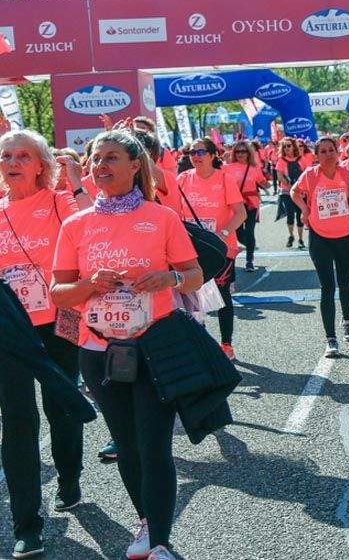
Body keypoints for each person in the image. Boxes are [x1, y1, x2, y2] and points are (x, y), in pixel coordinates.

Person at [51, 130, 204, 560]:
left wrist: (168, 278)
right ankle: (146, 521)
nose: (100, 166)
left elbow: (194, 275)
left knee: (154, 444)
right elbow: (59, 292)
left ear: (135, 165)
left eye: (111, 157)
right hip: (99, 351)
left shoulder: (161, 217)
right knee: (126, 444)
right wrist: (87, 285)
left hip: (155, 347)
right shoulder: (75, 224)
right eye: (95, 159)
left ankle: (158, 542)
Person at [0, 131, 87, 557]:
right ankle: (27, 524)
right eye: (5, 155)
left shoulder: (57, 202)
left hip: (59, 319)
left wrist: (79, 184)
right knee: (17, 420)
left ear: (41, 165)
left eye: (22, 155)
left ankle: (69, 477)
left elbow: (90, 230)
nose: (12, 161)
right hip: (9, 329)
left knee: (61, 407)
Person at [177, 137, 247, 360]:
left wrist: (223, 234)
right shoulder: (182, 179)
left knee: (222, 296)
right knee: (192, 297)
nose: (195, 156)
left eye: (200, 152)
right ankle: (202, 343)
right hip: (191, 250)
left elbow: (240, 213)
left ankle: (226, 344)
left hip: (220, 250)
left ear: (212, 155)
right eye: (192, 152)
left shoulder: (225, 179)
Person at [291, 136, 349, 358]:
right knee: (327, 286)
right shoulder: (311, 175)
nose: (328, 154)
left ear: (338, 152)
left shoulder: (347, 175)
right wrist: (305, 210)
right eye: (323, 151)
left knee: (345, 282)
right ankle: (331, 338)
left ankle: (347, 321)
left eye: (331, 150)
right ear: (316, 155)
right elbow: (294, 191)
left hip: (344, 236)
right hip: (320, 238)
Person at [224, 140, 269, 273]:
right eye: (237, 151)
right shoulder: (227, 167)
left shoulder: (254, 168)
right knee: (237, 233)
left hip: (251, 203)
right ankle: (251, 245)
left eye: (243, 151)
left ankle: (249, 260)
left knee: (249, 231)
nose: (240, 154)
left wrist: (266, 183)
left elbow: (263, 182)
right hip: (235, 204)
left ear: (248, 153)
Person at [275, 139, 306, 249]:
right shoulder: (281, 160)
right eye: (284, 147)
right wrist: (290, 186)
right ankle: (291, 235)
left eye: (288, 146)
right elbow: (279, 176)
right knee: (290, 215)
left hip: (300, 192)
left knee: (299, 215)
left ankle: (301, 239)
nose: (287, 148)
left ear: (294, 147)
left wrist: (300, 188)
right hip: (286, 192)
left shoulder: (301, 159)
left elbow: (306, 174)